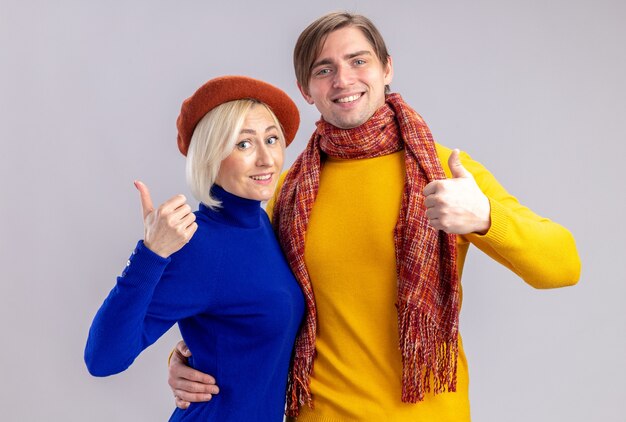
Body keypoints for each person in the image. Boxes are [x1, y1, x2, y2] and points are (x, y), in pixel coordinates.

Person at [167, 12, 581, 421]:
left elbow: (563, 266)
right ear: (306, 90)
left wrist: (485, 217)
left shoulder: (444, 173)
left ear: (387, 68)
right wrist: (193, 356)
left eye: (358, 61)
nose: (343, 80)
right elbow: (245, 299)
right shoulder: (288, 191)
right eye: (324, 69)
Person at [84, 76, 305, 421]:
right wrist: (150, 254)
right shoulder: (197, 245)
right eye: (243, 145)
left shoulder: (268, 223)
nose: (266, 159)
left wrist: (184, 354)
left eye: (272, 139)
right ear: (209, 155)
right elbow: (103, 358)